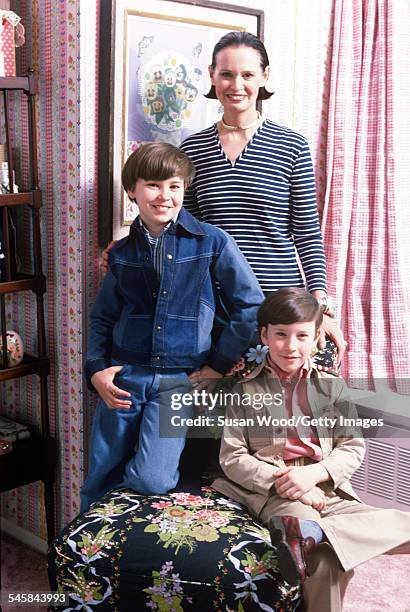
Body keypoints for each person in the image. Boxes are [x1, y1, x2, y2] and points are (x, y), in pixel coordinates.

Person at [102, 31, 345, 371]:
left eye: (247, 74)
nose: (237, 84)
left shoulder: (292, 146)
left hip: (281, 306)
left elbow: (307, 233)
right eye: (227, 74)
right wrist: (128, 246)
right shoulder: (193, 149)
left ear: (264, 77)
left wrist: (321, 305)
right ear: (212, 75)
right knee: (225, 418)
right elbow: (184, 228)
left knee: (289, 415)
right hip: (218, 310)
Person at [81, 142, 264, 512]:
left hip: (178, 381)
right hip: (123, 376)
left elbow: (251, 305)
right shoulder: (120, 254)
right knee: (100, 473)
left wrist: (218, 364)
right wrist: (97, 371)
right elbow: (102, 317)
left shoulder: (212, 242)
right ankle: (89, 548)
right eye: (153, 185)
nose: (164, 196)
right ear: (132, 190)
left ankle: (131, 511)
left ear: (184, 190)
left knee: (155, 480)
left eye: (174, 186)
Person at [212, 287, 410, 612]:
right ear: (264, 335)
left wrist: (316, 474)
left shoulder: (333, 387)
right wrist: (293, 484)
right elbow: (232, 458)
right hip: (280, 495)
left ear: (318, 337)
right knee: (325, 563)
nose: (291, 346)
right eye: (281, 335)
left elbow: (352, 446)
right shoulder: (244, 390)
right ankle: (305, 532)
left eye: (302, 335)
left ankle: (314, 532)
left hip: (329, 491)